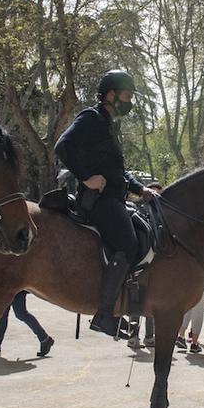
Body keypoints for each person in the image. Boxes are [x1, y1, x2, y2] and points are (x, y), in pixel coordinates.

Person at [55, 69, 145, 338]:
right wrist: (86, 177)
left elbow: (118, 171)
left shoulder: (110, 125)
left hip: (116, 197)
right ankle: (105, 315)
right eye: (127, 95)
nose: (129, 101)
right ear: (110, 94)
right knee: (128, 243)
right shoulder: (91, 118)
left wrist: (141, 190)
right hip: (99, 201)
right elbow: (63, 146)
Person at [0, 291, 53, 359]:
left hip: (17, 286)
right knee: (3, 315)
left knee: (21, 313)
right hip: (7, 286)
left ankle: (45, 339)